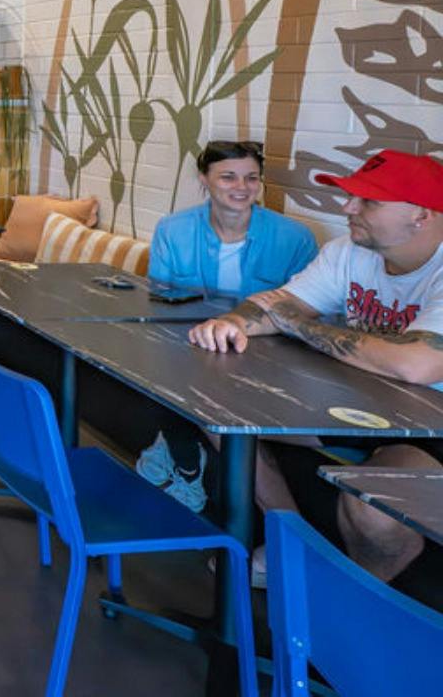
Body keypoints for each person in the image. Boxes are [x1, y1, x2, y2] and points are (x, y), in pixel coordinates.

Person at [188, 149, 443, 582]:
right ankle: (296, 546)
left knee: (373, 510)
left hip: (428, 425)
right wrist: (232, 321)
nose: (347, 208)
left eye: (368, 201)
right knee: (214, 409)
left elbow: (417, 366)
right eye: (350, 196)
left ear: (420, 216)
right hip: (362, 402)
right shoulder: (349, 250)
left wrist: (299, 326)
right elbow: (279, 306)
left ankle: (348, 606)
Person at [149, 140, 317, 296]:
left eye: (251, 178)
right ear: (204, 179)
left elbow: (307, 308)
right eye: (228, 177)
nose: (242, 186)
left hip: (264, 329)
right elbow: (159, 297)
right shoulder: (171, 231)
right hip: (185, 328)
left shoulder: (296, 239)